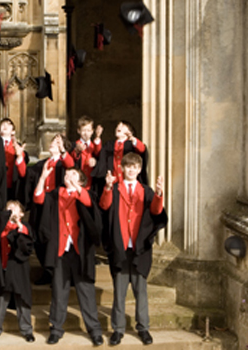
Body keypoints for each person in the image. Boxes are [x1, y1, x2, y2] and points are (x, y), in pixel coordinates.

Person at [99, 153, 168, 346]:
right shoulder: (114, 189)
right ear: (122, 168)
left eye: (134, 167)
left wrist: (159, 194)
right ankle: (118, 329)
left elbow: (155, 211)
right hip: (121, 249)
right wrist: (106, 187)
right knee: (119, 292)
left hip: (140, 249)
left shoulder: (146, 191)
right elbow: (104, 206)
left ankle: (143, 328)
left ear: (139, 169)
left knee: (141, 292)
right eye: (127, 166)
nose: (131, 169)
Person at [34, 167, 104, 346]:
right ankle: (56, 329)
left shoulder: (86, 194)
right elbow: (38, 198)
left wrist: (78, 189)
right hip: (60, 250)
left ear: (81, 181)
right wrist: (42, 177)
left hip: (80, 250)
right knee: (59, 291)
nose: (68, 176)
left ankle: (94, 330)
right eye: (66, 174)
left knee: (86, 291)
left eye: (73, 174)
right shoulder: (57, 194)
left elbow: (88, 202)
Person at [25, 134, 74, 285]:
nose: (54, 143)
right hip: (40, 204)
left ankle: (57, 273)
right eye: (54, 141)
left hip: (57, 205)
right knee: (38, 236)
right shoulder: (40, 164)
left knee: (53, 239)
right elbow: (26, 176)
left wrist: (63, 151)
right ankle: (47, 270)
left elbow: (71, 166)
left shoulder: (65, 163)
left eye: (58, 142)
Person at [0, 200, 35, 344]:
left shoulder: (25, 227)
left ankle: (27, 330)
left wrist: (18, 225)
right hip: (3, 268)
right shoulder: (1, 226)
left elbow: (27, 247)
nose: (11, 210)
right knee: (0, 301)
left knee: (22, 300)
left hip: (18, 270)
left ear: (22, 213)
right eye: (8, 208)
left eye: (14, 208)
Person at [91, 120, 149, 190]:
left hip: (127, 182)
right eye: (118, 125)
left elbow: (142, 149)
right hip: (113, 182)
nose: (119, 127)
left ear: (130, 131)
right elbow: (99, 154)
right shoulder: (109, 144)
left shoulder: (132, 144)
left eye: (123, 125)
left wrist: (133, 138)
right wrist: (97, 137)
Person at [0, 118, 28, 202]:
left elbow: (23, 173)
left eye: (9, 124)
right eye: (2, 124)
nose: (5, 125)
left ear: (13, 131)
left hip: (13, 188)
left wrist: (19, 156)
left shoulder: (18, 147)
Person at [71, 116, 103, 190]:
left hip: (91, 182)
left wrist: (98, 137)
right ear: (78, 131)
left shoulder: (95, 145)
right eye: (84, 130)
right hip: (77, 182)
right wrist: (77, 150)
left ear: (92, 131)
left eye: (88, 130)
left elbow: (98, 153)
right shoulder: (75, 145)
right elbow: (72, 158)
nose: (86, 133)